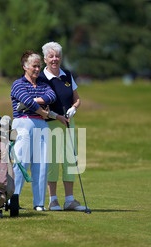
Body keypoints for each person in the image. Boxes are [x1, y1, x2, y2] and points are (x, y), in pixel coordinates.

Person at [38, 41, 89, 211]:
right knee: (52, 161)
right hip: (50, 124)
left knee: (70, 160)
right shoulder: (41, 78)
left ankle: (69, 200)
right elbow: (40, 107)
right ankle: (53, 200)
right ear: (45, 59)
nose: (55, 59)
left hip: (68, 123)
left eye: (57, 55)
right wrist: (55, 115)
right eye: (51, 56)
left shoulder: (67, 74)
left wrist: (74, 108)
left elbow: (77, 97)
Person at [10, 50, 57, 211]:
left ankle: (39, 203)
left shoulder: (44, 85)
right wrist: (42, 111)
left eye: (39, 66)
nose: (37, 69)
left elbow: (52, 97)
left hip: (41, 127)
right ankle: (12, 201)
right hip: (23, 125)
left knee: (42, 165)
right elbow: (26, 101)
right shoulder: (18, 84)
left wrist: (33, 102)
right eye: (34, 66)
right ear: (24, 66)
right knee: (20, 164)